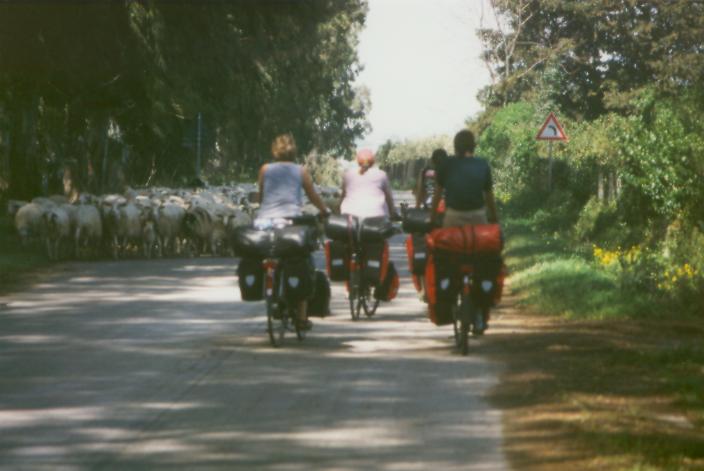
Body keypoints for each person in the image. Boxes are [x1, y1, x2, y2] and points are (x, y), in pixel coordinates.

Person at [257, 133, 329, 330]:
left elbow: (261, 197)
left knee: (268, 253)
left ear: (274, 151)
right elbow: (313, 196)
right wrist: (324, 210)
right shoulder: (301, 171)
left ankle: (269, 288)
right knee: (305, 259)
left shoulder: (265, 169)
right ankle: (302, 318)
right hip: (291, 223)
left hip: (265, 223)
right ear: (294, 151)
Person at [431, 129, 498, 227]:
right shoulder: (482, 164)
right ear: (473, 146)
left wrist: (432, 219)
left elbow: (437, 195)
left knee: (447, 241)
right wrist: (495, 217)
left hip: (453, 215)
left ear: (455, 147)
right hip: (478, 216)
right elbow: (489, 196)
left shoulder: (446, 164)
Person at [339, 148, 399, 220]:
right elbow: (388, 198)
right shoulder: (381, 174)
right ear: (373, 162)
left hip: (349, 218)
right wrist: (392, 212)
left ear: (358, 161)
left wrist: (337, 210)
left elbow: (343, 196)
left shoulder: (348, 174)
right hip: (377, 218)